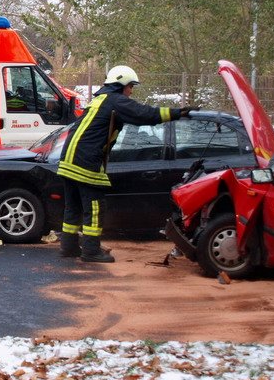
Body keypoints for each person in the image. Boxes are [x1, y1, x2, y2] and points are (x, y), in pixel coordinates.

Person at [57, 65, 194, 263]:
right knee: (94, 208)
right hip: (86, 162)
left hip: (68, 160)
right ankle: (91, 251)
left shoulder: (99, 100)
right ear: (120, 85)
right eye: (130, 87)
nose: (130, 91)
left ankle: (68, 248)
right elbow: (144, 113)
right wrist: (177, 113)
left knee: (73, 207)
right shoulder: (116, 100)